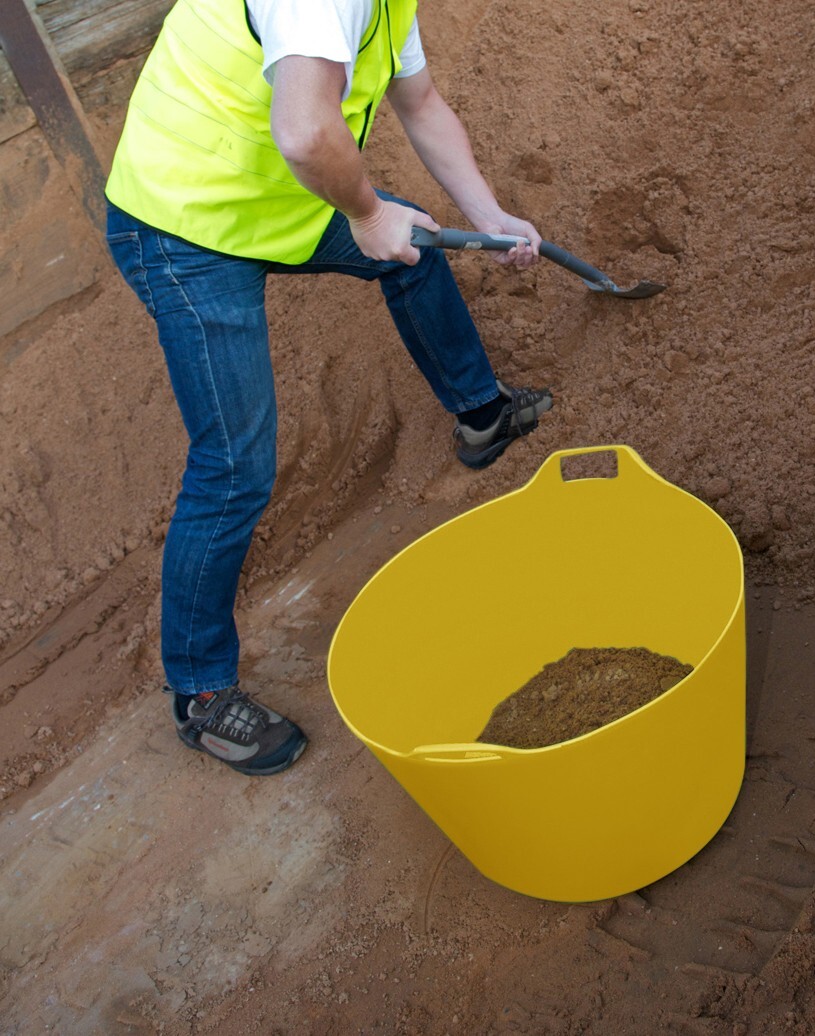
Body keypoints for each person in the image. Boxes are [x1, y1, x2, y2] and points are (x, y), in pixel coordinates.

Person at [104, 0, 554, 776]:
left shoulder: (386, 5)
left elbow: (420, 102)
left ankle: (482, 416)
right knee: (236, 464)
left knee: (412, 244)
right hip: (182, 225)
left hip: (272, 201)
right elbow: (309, 134)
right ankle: (200, 694)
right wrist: (370, 212)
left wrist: (490, 214)